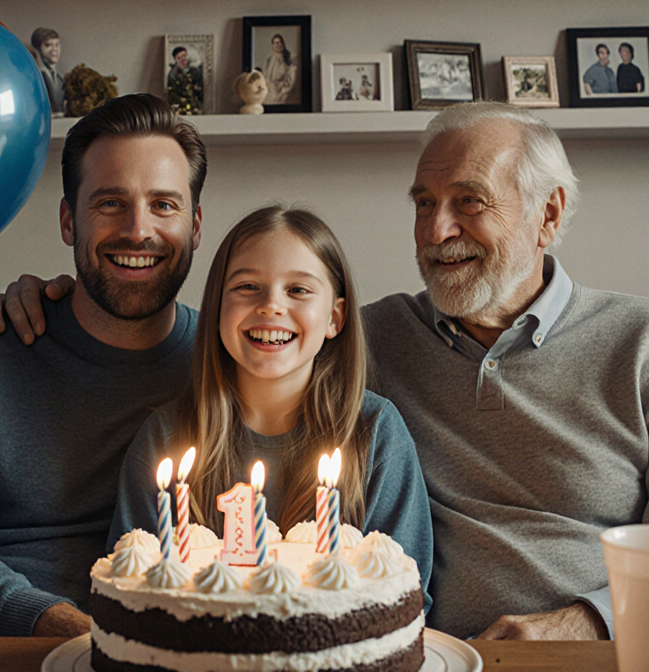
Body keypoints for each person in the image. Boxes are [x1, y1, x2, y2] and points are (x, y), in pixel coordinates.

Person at [0, 102, 649, 642]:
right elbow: (252, 335)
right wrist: (68, 298)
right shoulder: (368, 342)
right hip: (459, 651)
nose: (437, 229)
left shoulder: (646, 341)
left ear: (550, 213)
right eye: (423, 203)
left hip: (637, 643)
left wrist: (586, 622)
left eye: (468, 203)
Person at [0, 94, 207, 638]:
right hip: (10, 647)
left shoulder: (232, 365)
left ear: (195, 226)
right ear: (67, 220)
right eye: (109, 203)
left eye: (164, 205)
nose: (137, 229)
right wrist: (61, 629)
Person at [107, 206, 433, 601]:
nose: (271, 306)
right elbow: (130, 584)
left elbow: (405, 593)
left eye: (298, 290)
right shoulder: (167, 437)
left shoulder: (375, 431)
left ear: (335, 317)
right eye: (247, 287)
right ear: (216, 308)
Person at [31, 27, 65, 116]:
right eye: (48, 45)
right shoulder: (35, 77)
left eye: (57, 45)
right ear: (38, 48)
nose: (54, 50)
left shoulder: (60, 79)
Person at [166, 46, 204, 115]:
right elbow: (171, 93)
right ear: (176, 60)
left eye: (184, 56)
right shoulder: (173, 75)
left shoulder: (195, 72)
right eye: (179, 58)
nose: (183, 59)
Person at [263, 34, 297, 104]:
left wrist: (283, 91)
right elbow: (267, 77)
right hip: (272, 91)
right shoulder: (270, 59)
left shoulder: (289, 58)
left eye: (279, 42)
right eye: (275, 43)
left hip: (284, 92)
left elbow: (291, 80)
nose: (278, 45)